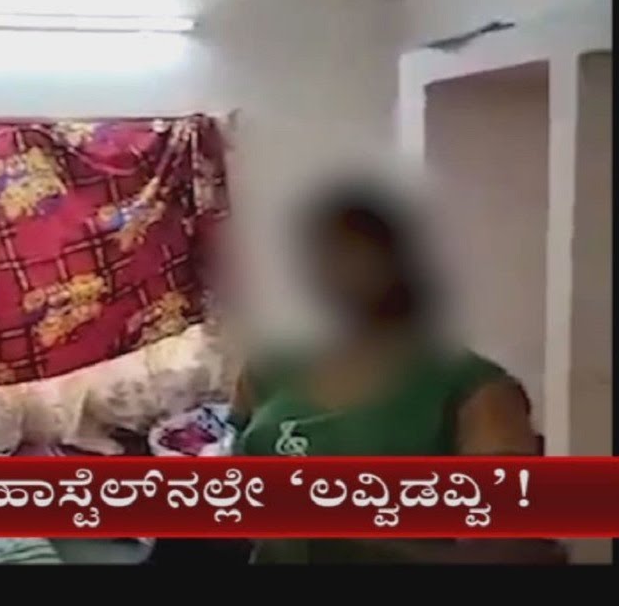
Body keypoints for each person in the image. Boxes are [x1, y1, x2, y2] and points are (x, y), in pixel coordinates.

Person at [227, 180, 564, 563]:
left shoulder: (473, 388)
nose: (338, 270)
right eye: (325, 254)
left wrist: (340, 528)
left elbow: (514, 552)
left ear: (402, 263)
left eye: (357, 253)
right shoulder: (270, 369)